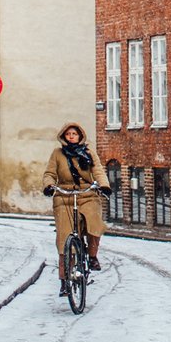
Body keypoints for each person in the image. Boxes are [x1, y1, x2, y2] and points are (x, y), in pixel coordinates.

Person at [42, 122, 109, 296]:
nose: (71, 136)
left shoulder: (88, 152)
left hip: (87, 194)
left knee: (95, 223)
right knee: (65, 238)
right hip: (64, 195)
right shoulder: (57, 154)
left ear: (80, 136)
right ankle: (64, 281)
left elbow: (98, 170)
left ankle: (92, 256)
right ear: (64, 136)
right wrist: (49, 185)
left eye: (74, 134)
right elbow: (49, 173)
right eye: (68, 134)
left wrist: (103, 185)